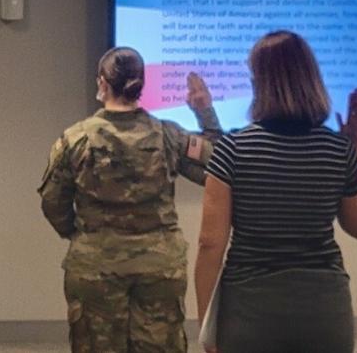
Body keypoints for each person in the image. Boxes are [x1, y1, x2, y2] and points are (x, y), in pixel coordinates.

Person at [194, 30, 357, 353]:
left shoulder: (232, 149)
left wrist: (207, 329)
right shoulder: (337, 149)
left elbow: (210, 245)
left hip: (250, 312)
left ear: (259, 84)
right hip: (324, 312)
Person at [38, 46, 223, 353]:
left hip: (95, 265)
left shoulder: (75, 139)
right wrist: (205, 112)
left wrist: (79, 234)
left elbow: (52, 202)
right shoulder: (169, 136)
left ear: (102, 83)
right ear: (141, 85)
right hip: (159, 267)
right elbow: (215, 166)